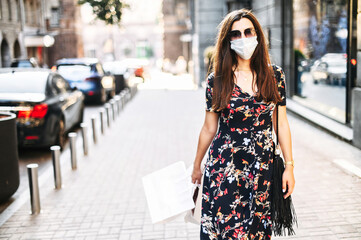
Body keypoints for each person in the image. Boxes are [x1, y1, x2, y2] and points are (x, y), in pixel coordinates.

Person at [191, 9, 295, 239]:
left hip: (262, 169)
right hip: (225, 168)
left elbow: (281, 123)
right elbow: (209, 128)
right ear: (228, 40)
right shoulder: (217, 80)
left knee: (256, 231)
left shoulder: (275, 76)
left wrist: (289, 165)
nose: (243, 38)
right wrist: (197, 165)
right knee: (227, 231)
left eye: (248, 32)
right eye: (235, 34)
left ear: (258, 35)